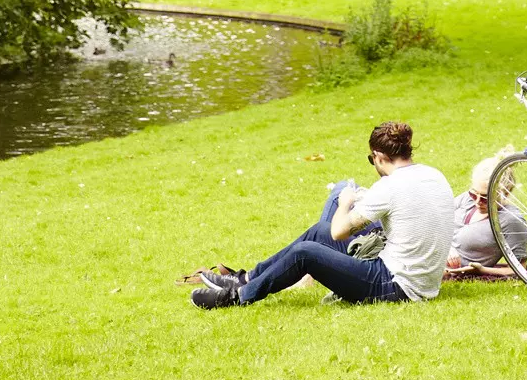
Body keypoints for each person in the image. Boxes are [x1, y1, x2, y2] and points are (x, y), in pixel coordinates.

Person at [189, 121, 454, 310]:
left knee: (305, 252)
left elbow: (339, 231)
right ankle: (244, 278)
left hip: (394, 286)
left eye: (371, 161)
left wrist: (345, 203)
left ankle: (238, 297)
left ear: (379, 157)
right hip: (422, 280)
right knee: (318, 231)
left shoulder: (389, 186)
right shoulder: (433, 175)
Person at [446, 152, 527, 272]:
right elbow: (435, 221)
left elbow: (519, 270)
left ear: (506, 193)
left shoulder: (511, 220)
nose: (477, 201)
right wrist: (447, 248)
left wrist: (482, 270)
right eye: (474, 194)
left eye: (485, 198)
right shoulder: (467, 199)